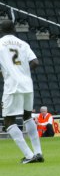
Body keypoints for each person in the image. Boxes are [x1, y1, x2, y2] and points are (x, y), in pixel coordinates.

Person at [0, 20, 44, 164]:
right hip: (27, 84)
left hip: (12, 85)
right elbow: (35, 62)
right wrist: (22, 71)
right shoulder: (23, 44)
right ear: (14, 29)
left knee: (8, 121)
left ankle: (29, 155)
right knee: (27, 117)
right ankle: (38, 152)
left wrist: (8, 73)